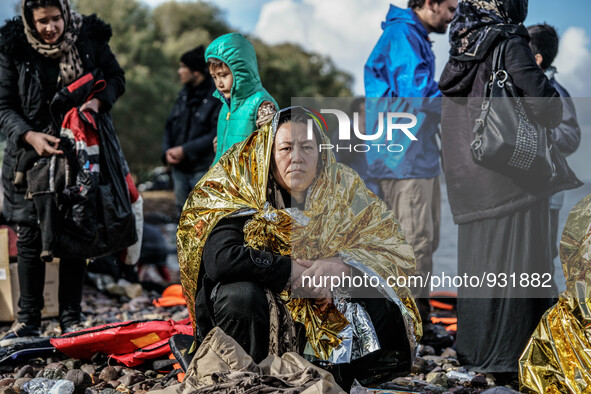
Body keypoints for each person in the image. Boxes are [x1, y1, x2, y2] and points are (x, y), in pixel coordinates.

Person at [177, 107, 421, 389]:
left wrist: (340, 266)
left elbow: (388, 250)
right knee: (239, 295)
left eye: (307, 147)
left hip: (323, 300)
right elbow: (220, 259)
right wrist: (290, 271)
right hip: (262, 310)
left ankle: (336, 376)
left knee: (375, 289)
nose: (297, 157)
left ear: (321, 153)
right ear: (267, 153)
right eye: (285, 148)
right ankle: (249, 375)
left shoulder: (343, 192)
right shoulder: (242, 191)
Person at [438, 0, 565, 383]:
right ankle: (509, 360)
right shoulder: (509, 41)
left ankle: (474, 353)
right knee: (520, 268)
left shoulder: (461, 45)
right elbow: (545, 105)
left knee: (478, 266)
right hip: (510, 175)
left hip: (467, 179)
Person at [0, 0, 125, 343]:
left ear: (66, 14)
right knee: (28, 235)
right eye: (42, 21)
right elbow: (3, 106)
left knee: (77, 231)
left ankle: (72, 317)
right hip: (28, 159)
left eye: (56, 19)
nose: (51, 27)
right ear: (29, 18)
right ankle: (28, 321)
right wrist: (28, 135)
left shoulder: (90, 38)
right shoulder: (12, 46)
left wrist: (96, 104)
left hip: (79, 154)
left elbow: (116, 77)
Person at [364, 0, 457, 330]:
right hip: (403, 160)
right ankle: (411, 329)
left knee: (425, 242)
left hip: (417, 158)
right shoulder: (404, 34)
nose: (452, 16)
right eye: (449, 7)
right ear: (429, 4)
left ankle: (418, 321)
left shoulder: (411, 34)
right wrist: (465, 107)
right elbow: (417, 92)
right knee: (414, 245)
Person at [527, 23, 581, 262]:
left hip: (547, 197)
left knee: (541, 259)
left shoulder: (555, 92)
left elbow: (570, 136)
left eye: (521, 50)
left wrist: (539, 134)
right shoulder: (523, 90)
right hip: (525, 196)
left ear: (537, 59)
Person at [162, 45, 221, 217]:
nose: (179, 71)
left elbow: (215, 134)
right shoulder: (182, 96)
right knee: (182, 216)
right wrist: (167, 152)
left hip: (202, 169)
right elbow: (169, 126)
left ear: (196, 72)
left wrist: (185, 150)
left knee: (203, 217)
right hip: (179, 170)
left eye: (183, 67)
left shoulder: (216, 97)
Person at [205, 33, 277, 164]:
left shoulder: (262, 104)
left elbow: (273, 150)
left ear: (241, 71)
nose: (219, 83)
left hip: (248, 182)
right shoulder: (225, 107)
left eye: (223, 75)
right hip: (224, 181)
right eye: (214, 77)